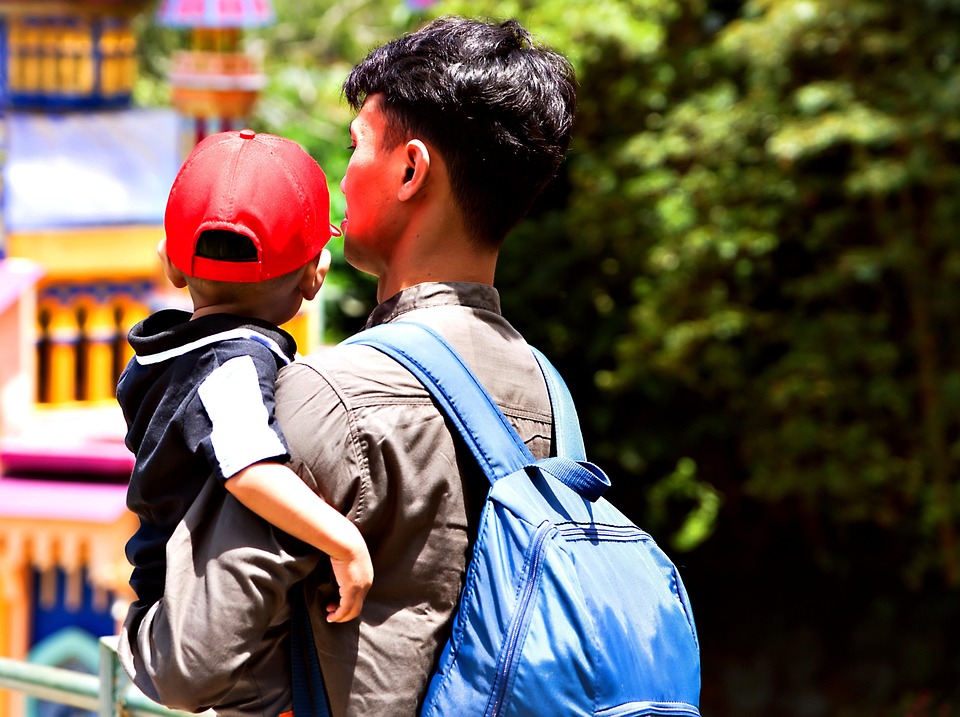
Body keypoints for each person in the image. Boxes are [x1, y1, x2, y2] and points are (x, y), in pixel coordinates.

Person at [117, 16, 576, 717]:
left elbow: (190, 664)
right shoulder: (548, 389)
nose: (342, 174)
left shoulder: (324, 398)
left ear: (410, 169)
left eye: (357, 146)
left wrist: (136, 630)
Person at [116, 130, 374, 707]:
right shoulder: (235, 362)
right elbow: (248, 468)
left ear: (172, 267)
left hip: (167, 595)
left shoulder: (164, 358)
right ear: (316, 275)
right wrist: (344, 540)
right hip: (204, 622)